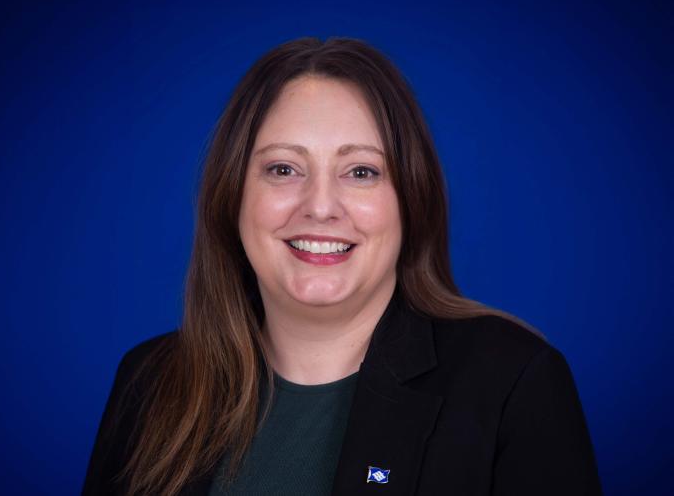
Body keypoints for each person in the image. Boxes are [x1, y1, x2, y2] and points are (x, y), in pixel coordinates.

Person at [82, 36, 603, 496]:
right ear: (232, 196)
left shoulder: (512, 382)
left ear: (410, 200)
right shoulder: (148, 382)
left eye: (361, 171)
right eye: (283, 168)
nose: (321, 206)